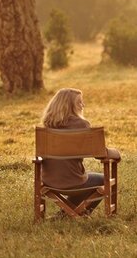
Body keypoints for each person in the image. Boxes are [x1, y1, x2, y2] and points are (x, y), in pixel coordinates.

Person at [39, 88, 121, 216]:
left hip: (48, 181)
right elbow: (99, 153)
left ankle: (66, 213)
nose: (83, 105)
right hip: (74, 181)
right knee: (103, 180)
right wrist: (116, 153)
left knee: (89, 179)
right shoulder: (81, 124)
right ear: (69, 106)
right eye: (79, 103)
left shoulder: (48, 126)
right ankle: (77, 213)